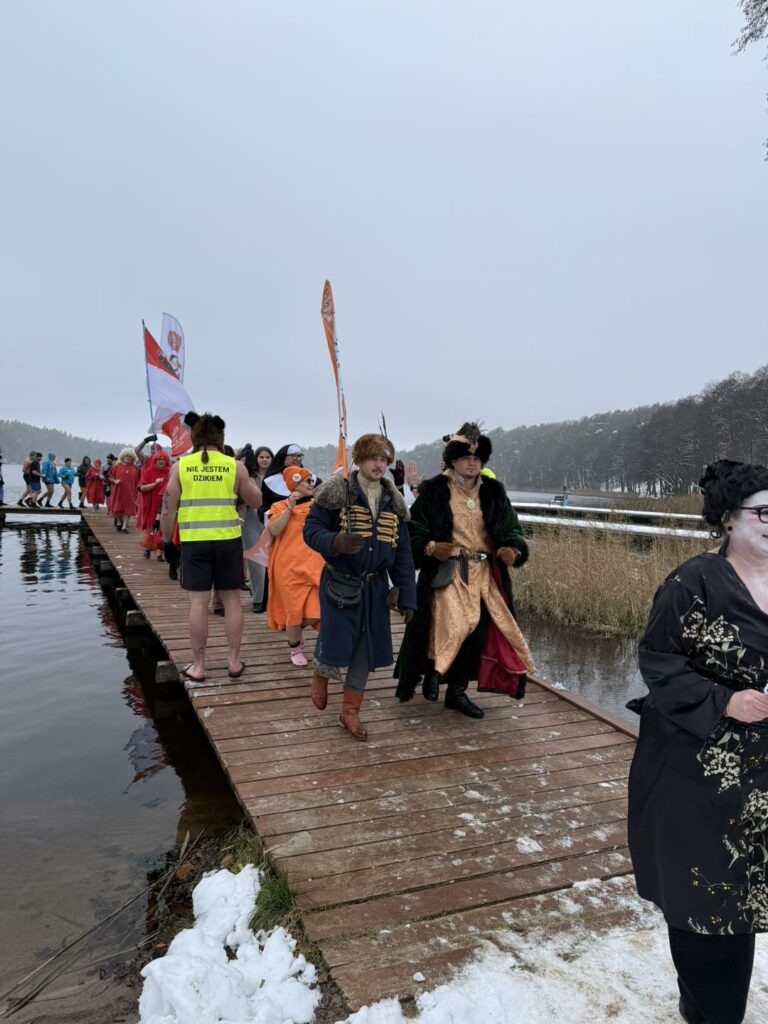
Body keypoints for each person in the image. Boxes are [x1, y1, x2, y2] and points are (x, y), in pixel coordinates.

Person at [628, 459, 768, 1024]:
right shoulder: (692, 582)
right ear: (730, 520)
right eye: (765, 512)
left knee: (750, 896)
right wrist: (723, 701)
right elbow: (657, 661)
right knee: (709, 909)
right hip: (699, 774)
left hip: (763, 779)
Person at [395, 423, 534, 719]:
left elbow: (512, 528)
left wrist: (513, 548)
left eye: (477, 459)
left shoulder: (494, 492)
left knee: (478, 633)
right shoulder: (434, 490)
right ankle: (433, 671)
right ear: (453, 461)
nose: (472, 463)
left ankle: (456, 692)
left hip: (484, 574)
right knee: (450, 624)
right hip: (449, 570)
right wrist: (431, 547)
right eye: (466, 458)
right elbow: (413, 530)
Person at [303, 433, 417, 741]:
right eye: (373, 459)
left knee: (365, 650)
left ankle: (349, 712)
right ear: (359, 460)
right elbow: (311, 531)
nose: (379, 465)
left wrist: (407, 594)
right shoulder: (337, 492)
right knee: (337, 637)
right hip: (340, 582)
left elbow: (402, 552)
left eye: (384, 460)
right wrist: (335, 541)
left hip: (376, 588)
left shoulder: (394, 500)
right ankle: (322, 673)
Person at [160, 411, 262, 684]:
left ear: (194, 437)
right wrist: (246, 475)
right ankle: (233, 661)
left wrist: (167, 541)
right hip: (228, 540)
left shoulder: (180, 466)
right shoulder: (234, 466)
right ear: (221, 437)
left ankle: (199, 666)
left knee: (198, 602)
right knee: (231, 601)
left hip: (195, 542)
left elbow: (168, 510)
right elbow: (256, 500)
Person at [266, 467, 324, 665]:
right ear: (295, 483)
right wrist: (289, 508)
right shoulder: (279, 506)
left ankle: (297, 634)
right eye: (307, 481)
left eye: (311, 480)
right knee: (293, 612)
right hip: (288, 568)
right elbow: (274, 530)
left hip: (315, 565)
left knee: (318, 610)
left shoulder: (319, 505)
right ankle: (295, 648)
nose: (311, 484)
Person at [240, 444, 273, 612]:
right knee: (255, 560)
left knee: (271, 561)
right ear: (256, 459)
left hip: (272, 522)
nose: (265, 460)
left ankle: (266, 594)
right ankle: (258, 600)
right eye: (262, 457)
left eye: (268, 457)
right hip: (252, 520)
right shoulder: (248, 477)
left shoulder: (277, 478)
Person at [136, 450, 171, 557]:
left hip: (166, 505)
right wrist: (154, 484)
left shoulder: (171, 472)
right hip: (151, 505)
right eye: (159, 459)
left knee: (164, 529)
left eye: (163, 459)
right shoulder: (148, 472)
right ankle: (148, 548)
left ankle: (161, 553)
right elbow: (141, 488)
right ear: (155, 460)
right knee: (151, 528)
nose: (161, 461)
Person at [260, 444, 305, 513]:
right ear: (283, 458)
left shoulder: (308, 479)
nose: (298, 459)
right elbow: (264, 509)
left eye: (300, 456)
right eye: (294, 456)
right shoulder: (270, 481)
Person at [109, 448, 141, 532]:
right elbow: (110, 477)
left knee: (128, 509)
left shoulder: (136, 469)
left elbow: (140, 480)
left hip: (131, 492)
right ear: (123, 456)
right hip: (118, 491)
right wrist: (114, 481)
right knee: (117, 508)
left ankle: (124, 527)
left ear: (133, 457)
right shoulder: (117, 467)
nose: (128, 457)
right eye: (126, 455)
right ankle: (119, 522)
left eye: (130, 456)